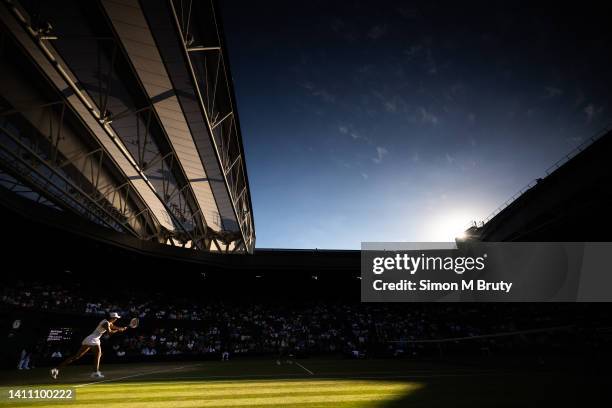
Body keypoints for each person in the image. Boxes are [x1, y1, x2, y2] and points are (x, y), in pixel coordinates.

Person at [50, 312, 127, 379]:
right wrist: (118, 330)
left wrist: (121, 328)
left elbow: (114, 327)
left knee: (77, 356)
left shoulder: (108, 322)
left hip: (90, 338)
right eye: (115, 318)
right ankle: (95, 373)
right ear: (112, 318)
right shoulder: (106, 323)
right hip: (93, 339)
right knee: (98, 355)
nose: (116, 319)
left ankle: (56, 369)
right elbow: (110, 332)